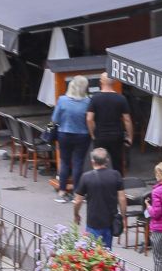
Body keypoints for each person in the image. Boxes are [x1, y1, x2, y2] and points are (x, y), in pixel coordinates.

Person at [73, 148, 127, 250]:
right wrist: (123, 217)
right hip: (110, 221)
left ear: (92, 161)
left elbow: (78, 201)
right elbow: (122, 198)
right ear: (107, 160)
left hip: (93, 221)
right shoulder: (116, 175)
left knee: (92, 253)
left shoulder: (86, 177)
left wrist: (76, 214)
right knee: (107, 253)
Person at [52, 75, 92, 203]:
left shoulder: (62, 100)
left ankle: (62, 191)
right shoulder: (88, 101)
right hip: (82, 135)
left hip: (64, 133)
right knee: (78, 163)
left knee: (64, 162)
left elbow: (55, 119)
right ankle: (77, 193)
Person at [86, 74, 134, 174]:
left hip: (100, 135)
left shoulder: (95, 98)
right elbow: (127, 120)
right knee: (118, 162)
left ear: (101, 82)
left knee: (99, 162)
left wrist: (92, 134)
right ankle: (118, 184)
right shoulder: (121, 98)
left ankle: (100, 184)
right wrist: (130, 136)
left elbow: (89, 119)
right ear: (114, 82)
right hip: (116, 135)